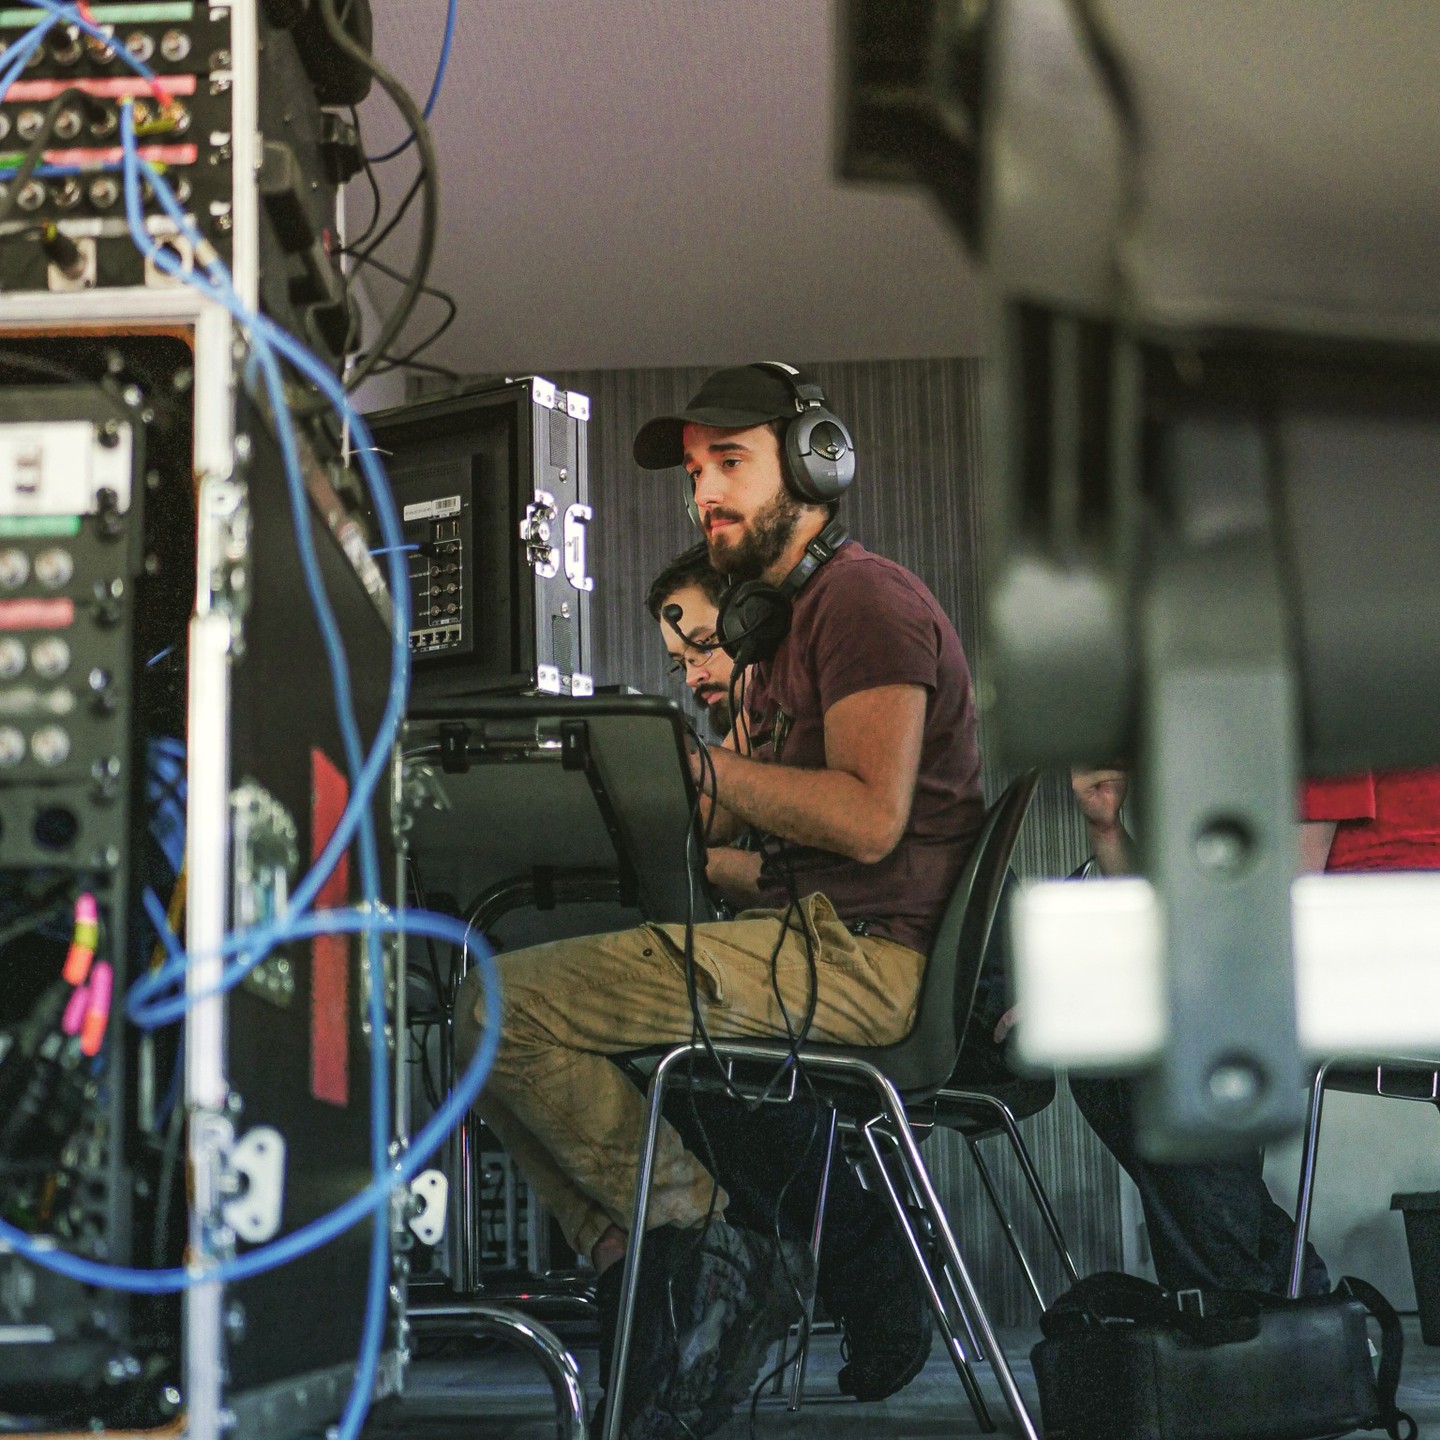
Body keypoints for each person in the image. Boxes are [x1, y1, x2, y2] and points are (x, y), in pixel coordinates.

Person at [454, 362, 986, 1437]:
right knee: (487, 1017)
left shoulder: (866, 601)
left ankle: (696, 1242)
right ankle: (643, 1267)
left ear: (813, 461)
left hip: (862, 960)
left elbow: (870, 819)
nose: (704, 494)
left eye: (731, 463)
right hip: (814, 939)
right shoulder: (776, 630)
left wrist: (701, 777)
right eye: (697, 472)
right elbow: (742, 826)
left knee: (493, 1011)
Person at [644, 541, 935, 1403]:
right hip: (808, 968)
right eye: (677, 660)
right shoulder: (753, 732)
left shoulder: (821, 721)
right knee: (692, 1063)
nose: (693, 671)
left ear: (755, 623)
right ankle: (836, 1252)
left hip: (886, 972)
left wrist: (724, 806)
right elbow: (707, 849)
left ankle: (854, 1249)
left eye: (704, 644)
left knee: (696, 1065)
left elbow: (785, 872)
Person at [1065, 763, 1440, 1296]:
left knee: (1168, 1060)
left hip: (1386, 951)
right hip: (1315, 957)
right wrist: (1106, 827)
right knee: (1106, 1054)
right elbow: (1193, 925)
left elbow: (1266, 924)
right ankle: (1272, 1311)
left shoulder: (1317, 713)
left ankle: (1242, 1320)